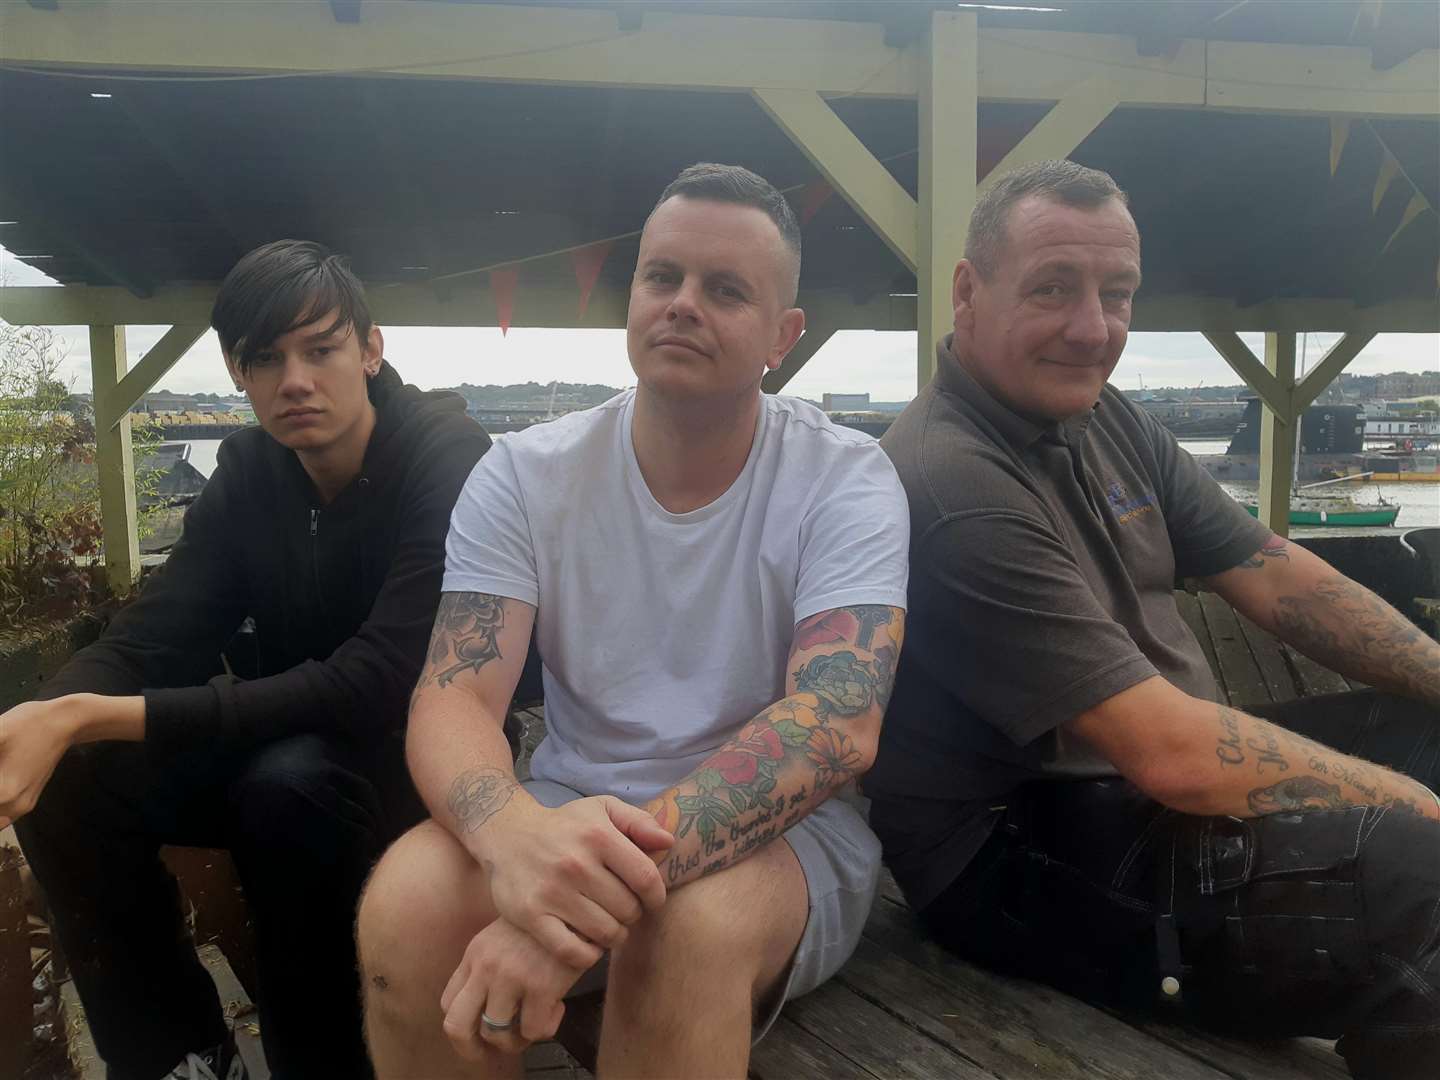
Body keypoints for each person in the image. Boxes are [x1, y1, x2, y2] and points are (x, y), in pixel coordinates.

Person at [868, 159, 1440, 1080]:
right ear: (968, 291)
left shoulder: (1106, 417)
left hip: (1158, 790)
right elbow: (1169, 751)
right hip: (1020, 851)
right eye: (1053, 288)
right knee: (1426, 881)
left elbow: (1273, 572)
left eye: (1118, 294)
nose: (1093, 329)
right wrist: (1419, 812)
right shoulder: (946, 480)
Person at [356, 163, 909, 1078]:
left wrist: (586, 894)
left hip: (786, 840)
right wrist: (513, 841)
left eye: (725, 289)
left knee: (679, 931)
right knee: (406, 905)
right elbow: (452, 700)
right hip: (569, 805)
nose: (683, 304)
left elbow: (835, 725)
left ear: (784, 334)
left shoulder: (844, 478)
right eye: (663, 277)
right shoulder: (525, 475)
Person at [3, 240, 492, 1080]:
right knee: (70, 776)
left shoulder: (446, 458)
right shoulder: (249, 474)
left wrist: (95, 713)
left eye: (321, 349)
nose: (293, 380)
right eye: (265, 358)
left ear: (371, 351)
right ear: (237, 371)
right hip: (286, 740)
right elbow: (156, 634)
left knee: (285, 789)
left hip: (425, 756)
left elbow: (379, 677)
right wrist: (43, 720)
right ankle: (184, 1054)